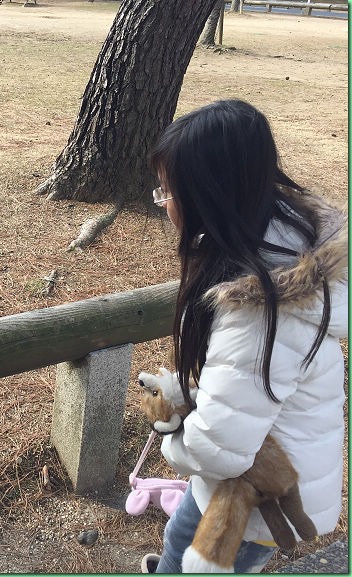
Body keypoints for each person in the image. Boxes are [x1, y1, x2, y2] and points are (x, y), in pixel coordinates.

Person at [139, 99, 348, 573]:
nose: (164, 203)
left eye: (168, 192)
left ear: (209, 196)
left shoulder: (258, 310)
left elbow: (219, 449)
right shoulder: (282, 233)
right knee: (179, 535)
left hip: (256, 497)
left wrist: (169, 427)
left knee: (190, 555)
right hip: (268, 469)